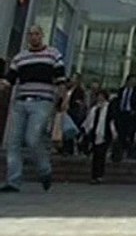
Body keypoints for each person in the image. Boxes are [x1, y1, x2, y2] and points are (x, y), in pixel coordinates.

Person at [0, 25, 66, 192]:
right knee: (13, 142)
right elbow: (9, 80)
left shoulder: (53, 55)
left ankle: (44, 169)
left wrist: (62, 100)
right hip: (21, 102)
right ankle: (13, 181)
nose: (33, 37)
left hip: (42, 102)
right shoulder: (20, 58)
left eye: (36, 34)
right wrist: (3, 84)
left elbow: (61, 80)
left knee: (32, 137)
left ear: (42, 35)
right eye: (30, 34)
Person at [81, 89, 117, 184]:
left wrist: (113, 132)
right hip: (94, 134)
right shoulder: (94, 109)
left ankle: (99, 175)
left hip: (104, 133)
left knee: (101, 155)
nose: (100, 98)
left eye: (101, 96)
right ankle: (94, 176)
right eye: (98, 96)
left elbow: (111, 121)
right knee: (95, 155)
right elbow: (89, 121)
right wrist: (86, 131)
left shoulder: (108, 108)